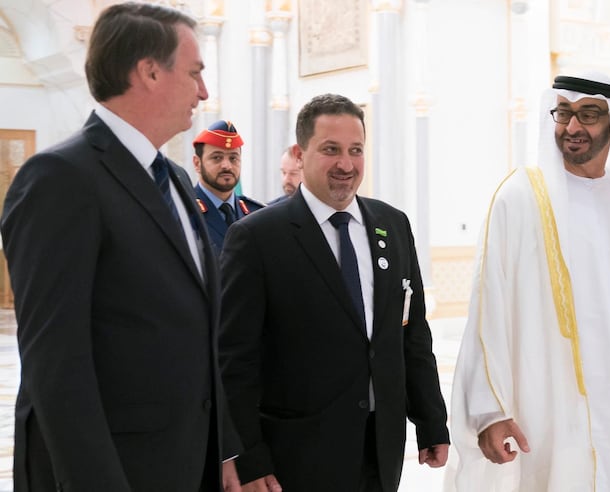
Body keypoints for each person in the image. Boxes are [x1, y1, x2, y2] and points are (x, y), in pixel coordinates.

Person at [0, 3, 242, 491]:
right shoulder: (60, 179)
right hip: (116, 469)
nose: (204, 91)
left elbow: (197, 332)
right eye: (194, 73)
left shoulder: (172, 177)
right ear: (149, 71)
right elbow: (56, 363)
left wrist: (226, 451)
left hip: (187, 460)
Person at [450, 73, 610, 491]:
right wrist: (490, 410)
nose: (573, 127)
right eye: (564, 113)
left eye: (589, 114)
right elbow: (488, 309)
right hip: (553, 407)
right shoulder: (520, 198)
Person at [219, 93, 450, 491]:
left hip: (380, 449)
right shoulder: (257, 237)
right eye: (331, 150)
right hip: (297, 455)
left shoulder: (392, 226)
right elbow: (235, 360)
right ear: (299, 152)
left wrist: (431, 421)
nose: (346, 164)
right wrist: (247, 455)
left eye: (355, 150)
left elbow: (411, 334)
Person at [193, 120, 265, 257]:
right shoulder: (184, 211)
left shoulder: (257, 213)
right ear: (197, 163)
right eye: (217, 158)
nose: (227, 166)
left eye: (233, 158)